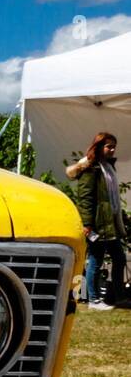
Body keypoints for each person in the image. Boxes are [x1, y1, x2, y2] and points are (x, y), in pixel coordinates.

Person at [66, 132, 125, 309]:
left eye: (114, 146)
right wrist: (87, 224)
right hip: (97, 224)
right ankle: (93, 299)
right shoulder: (90, 168)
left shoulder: (108, 166)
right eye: (109, 146)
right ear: (99, 146)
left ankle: (118, 296)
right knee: (95, 259)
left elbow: (111, 196)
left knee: (119, 258)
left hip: (110, 222)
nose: (112, 150)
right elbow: (85, 198)